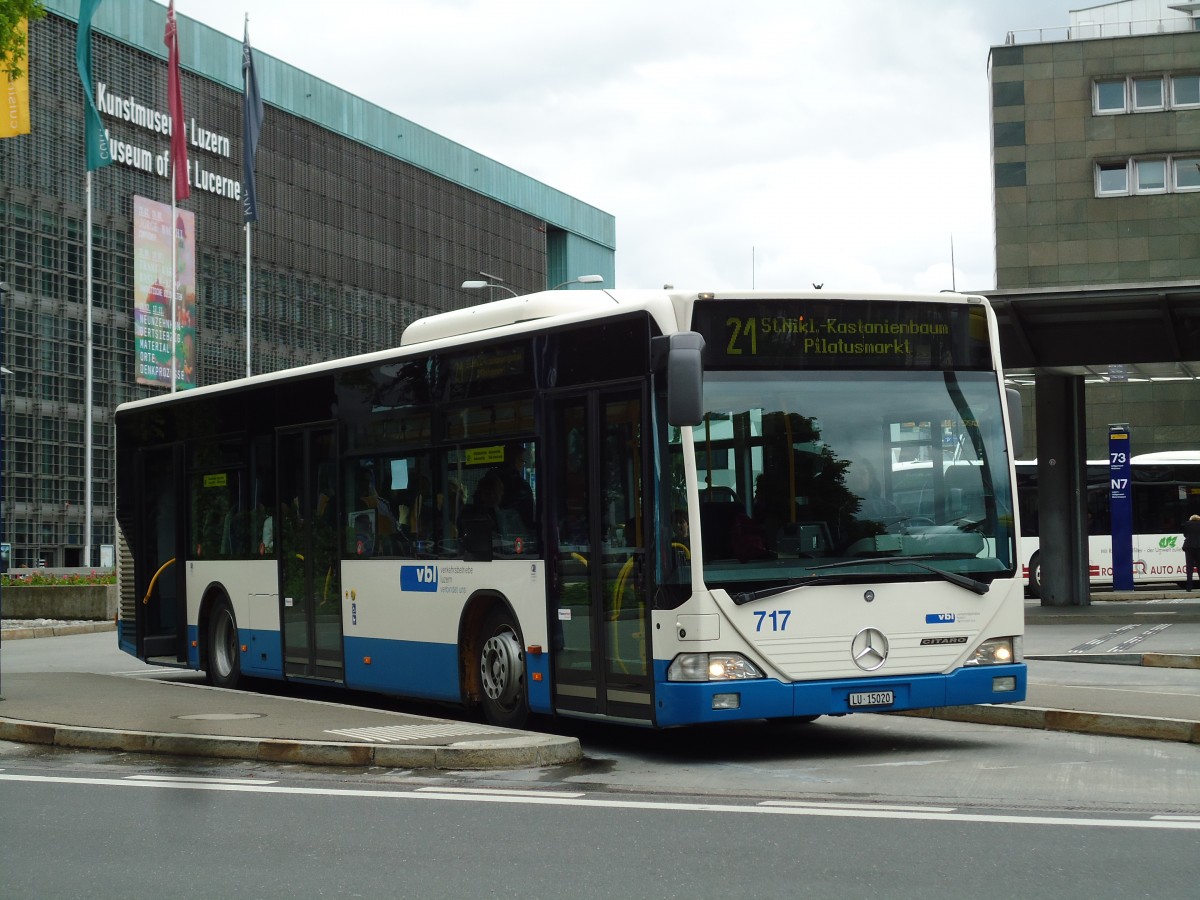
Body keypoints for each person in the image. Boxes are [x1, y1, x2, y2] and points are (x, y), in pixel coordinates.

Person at [1183, 514, 1200, 589]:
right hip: (1199, 546)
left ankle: (1189, 587)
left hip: (1189, 546)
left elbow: (1185, 534)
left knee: (1189, 567)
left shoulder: (1187, 524)